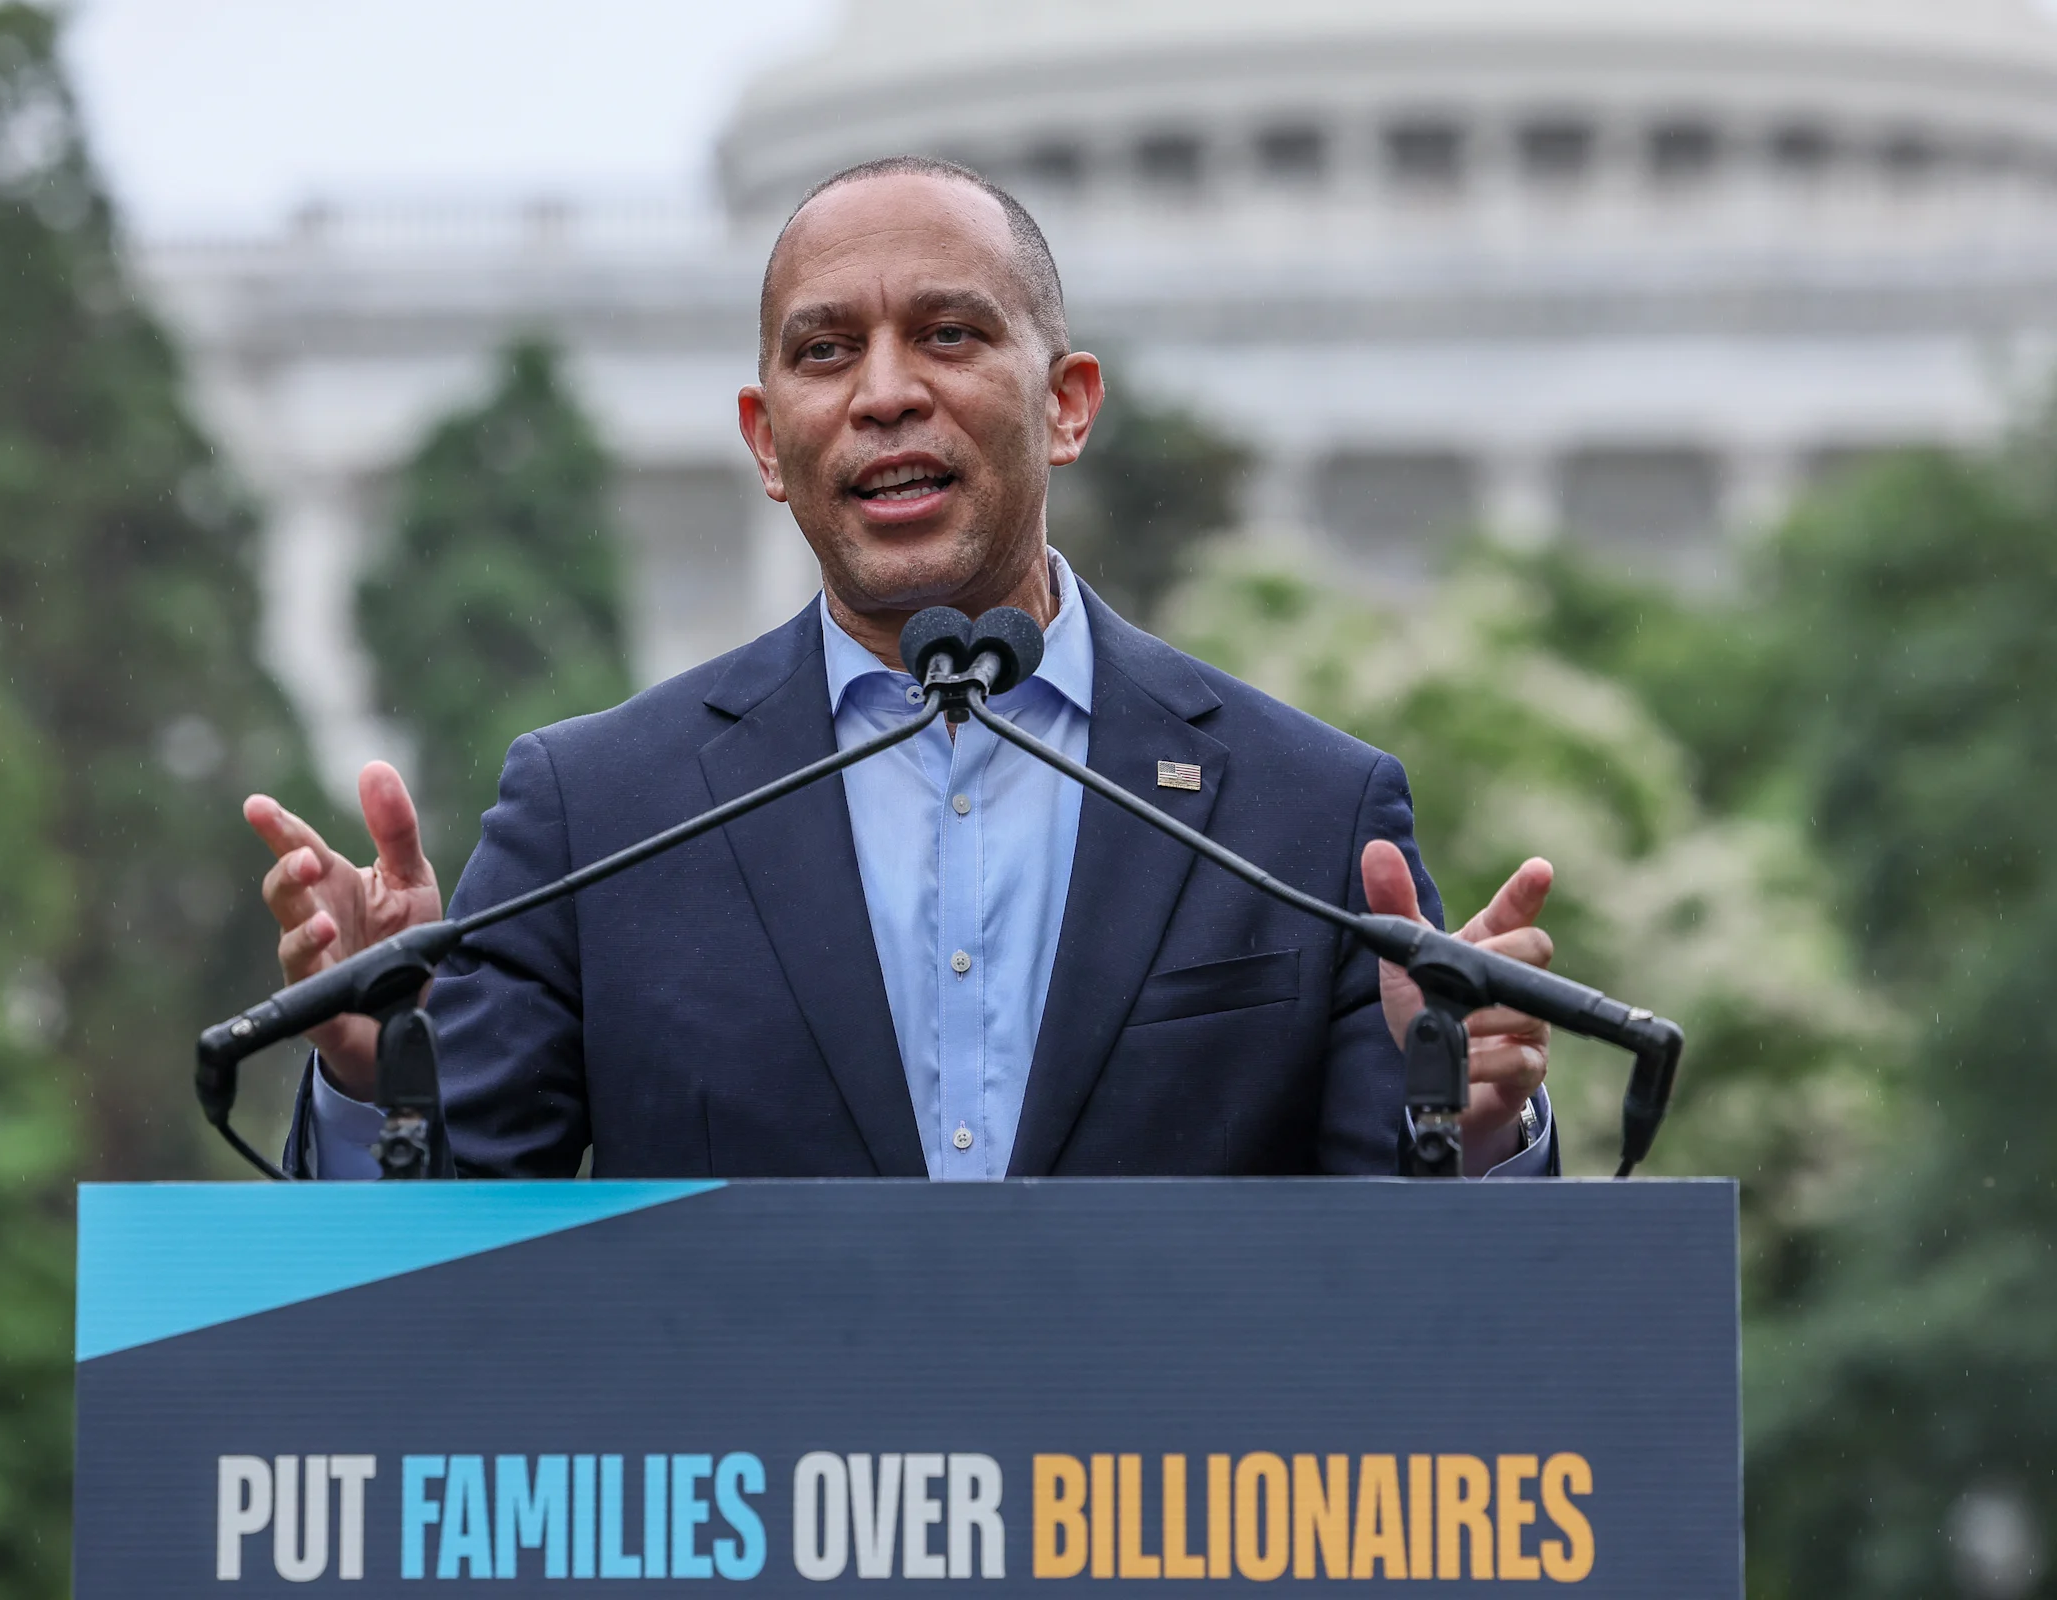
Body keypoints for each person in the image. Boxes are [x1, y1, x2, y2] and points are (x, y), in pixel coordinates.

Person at [243, 156, 1560, 1180]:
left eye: (947, 335)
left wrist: (1477, 1125)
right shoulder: (603, 816)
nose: (883, 394)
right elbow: (434, 1301)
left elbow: (1414, 1315)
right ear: (767, 441)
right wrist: (379, 1081)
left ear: (1067, 402)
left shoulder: (1304, 816)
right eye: (826, 352)